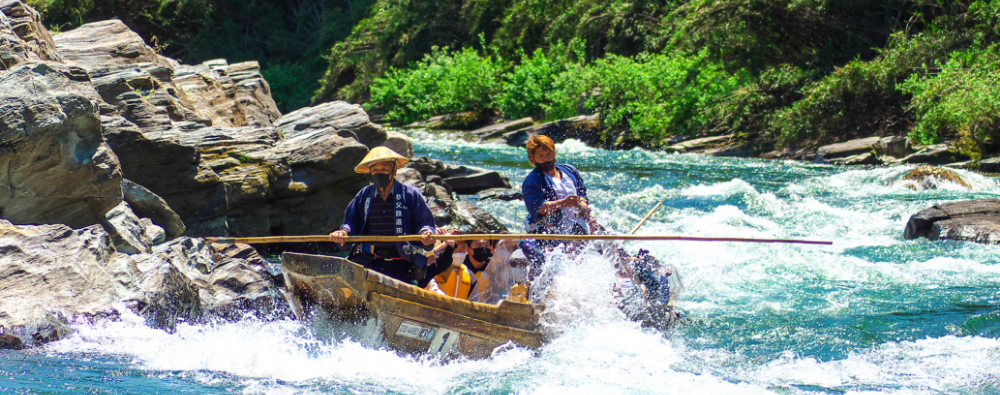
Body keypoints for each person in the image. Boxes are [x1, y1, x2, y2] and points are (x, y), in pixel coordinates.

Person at [329, 146, 443, 286]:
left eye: (384, 169)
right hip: (370, 261)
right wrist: (344, 231)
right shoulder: (364, 195)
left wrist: (426, 233)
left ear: (394, 171)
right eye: (375, 170)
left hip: (403, 263)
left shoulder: (411, 194)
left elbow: (424, 221)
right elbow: (353, 221)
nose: (379, 173)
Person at [521, 135, 593, 236]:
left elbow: (582, 193)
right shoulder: (532, 181)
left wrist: (583, 203)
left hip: (576, 225)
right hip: (547, 230)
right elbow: (539, 208)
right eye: (541, 156)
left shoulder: (570, 171)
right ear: (532, 158)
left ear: (554, 152)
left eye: (549, 154)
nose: (546, 159)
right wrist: (564, 203)